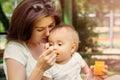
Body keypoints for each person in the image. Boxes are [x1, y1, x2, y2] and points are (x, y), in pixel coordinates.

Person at [3, 0, 108, 80]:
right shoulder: (15, 50)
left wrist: (89, 77)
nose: (48, 33)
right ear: (25, 28)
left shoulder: (49, 43)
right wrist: (40, 69)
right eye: (40, 29)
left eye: (51, 26)